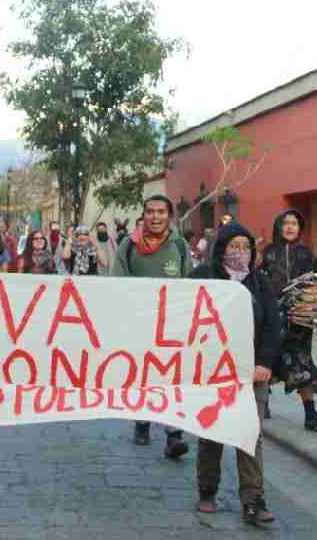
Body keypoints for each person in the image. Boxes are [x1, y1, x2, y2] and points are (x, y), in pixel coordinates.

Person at [191, 222, 281, 526]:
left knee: (249, 434)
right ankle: (207, 489)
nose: (240, 252)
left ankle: (253, 499)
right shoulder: (202, 277)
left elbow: (272, 325)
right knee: (212, 431)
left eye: (246, 246)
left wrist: (265, 363)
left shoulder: (261, 283)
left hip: (250, 371)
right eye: (234, 246)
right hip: (212, 370)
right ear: (222, 249)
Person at [113, 195, 192, 456]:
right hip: (139, 323)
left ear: (169, 216)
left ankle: (174, 434)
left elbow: (192, 284)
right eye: (150, 212)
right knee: (142, 374)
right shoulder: (128, 245)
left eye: (161, 212)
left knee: (171, 376)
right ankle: (142, 421)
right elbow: (118, 283)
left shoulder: (179, 245)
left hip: (172, 325)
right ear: (143, 215)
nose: (155, 217)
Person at [262, 209, 317, 431]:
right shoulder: (268, 252)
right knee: (267, 358)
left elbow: (316, 281)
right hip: (273, 316)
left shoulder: (305, 253)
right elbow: (258, 281)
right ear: (278, 226)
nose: (290, 227)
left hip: (299, 318)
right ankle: (263, 404)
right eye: (286, 222)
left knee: (302, 362)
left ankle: (310, 414)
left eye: (294, 223)